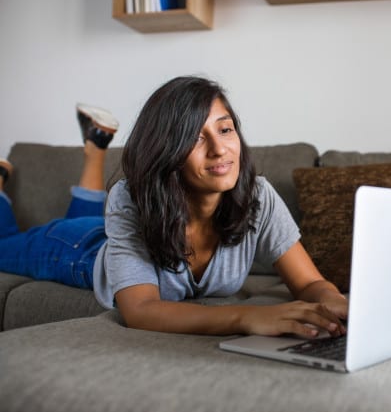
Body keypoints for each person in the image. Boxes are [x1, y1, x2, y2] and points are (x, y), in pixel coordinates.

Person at [0, 76, 347, 339]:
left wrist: (331, 300)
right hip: (79, 251)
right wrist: (245, 317)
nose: (219, 149)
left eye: (225, 129)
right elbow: (140, 311)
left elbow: (309, 283)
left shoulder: (258, 197)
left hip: (107, 233)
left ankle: (94, 149)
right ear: (166, 151)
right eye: (194, 138)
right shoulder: (131, 198)